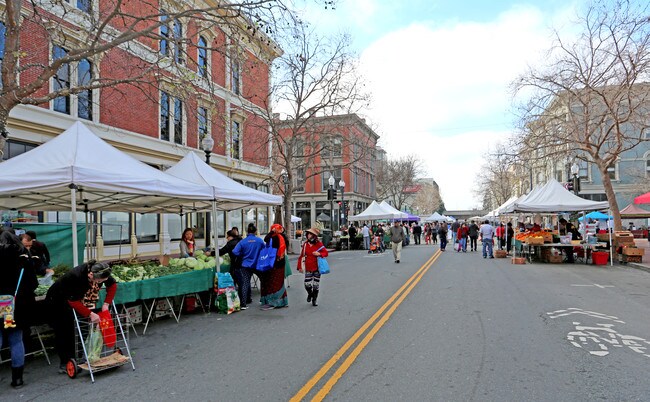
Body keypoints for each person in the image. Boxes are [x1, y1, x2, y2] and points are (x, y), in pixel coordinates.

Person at [45, 260, 117, 374]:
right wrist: (90, 313)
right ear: (91, 275)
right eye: (100, 281)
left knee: (81, 327)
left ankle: (80, 356)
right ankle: (65, 362)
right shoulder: (77, 277)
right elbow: (73, 301)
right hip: (58, 301)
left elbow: (112, 285)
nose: (102, 282)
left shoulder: (101, 271)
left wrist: (106, 304)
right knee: (64, 331)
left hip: (75, 299)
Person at [0, 229, 38, 388]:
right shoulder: (24, 258)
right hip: (18, 305)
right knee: (16, 339)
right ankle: (17, 379)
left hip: (1, 303)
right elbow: (34, 284)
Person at [232, 223, 264, 310]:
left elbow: (235, 251)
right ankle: (263, 299)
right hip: (257, 265)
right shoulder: (259, 241)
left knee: (245, 283)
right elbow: (264, 250)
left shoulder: (243, 241)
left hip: (245, 265)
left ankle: (243, 304)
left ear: (247, 231)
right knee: (263, 280)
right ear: (255, 231)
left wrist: (242, 254)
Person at [260, 224, 289, 310]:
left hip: (274, 263)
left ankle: (273, 302)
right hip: (281, 262)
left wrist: (271, 232)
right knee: (279, 282)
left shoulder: (274, 237)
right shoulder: (283, 237)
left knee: (273, 282)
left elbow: (266, 239)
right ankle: (283, 301)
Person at [297, 227, 328, 306]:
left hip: (317, 267)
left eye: (310, 234)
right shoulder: (305, 244)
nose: (308, 235)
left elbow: (325, 253)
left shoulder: (319, 244)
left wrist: (319, 254)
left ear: (314, 236)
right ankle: (310, 294)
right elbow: (301, 256)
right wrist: (299, 267)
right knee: (307, 284)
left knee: (316, 285)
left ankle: (314, 299)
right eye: (308, 234)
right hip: (308, 267)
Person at [219, 230, 243, 302]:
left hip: (235, 264)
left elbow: (222, 251)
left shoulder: (231, 243)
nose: (227, 238)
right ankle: (246, 298)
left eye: (227, 236)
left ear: (230, 236)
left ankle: (236, 299)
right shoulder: (240, 240)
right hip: (243, 264)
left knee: (234, 281)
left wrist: (211, 253)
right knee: (243, 282)